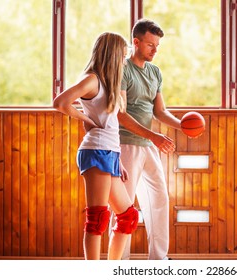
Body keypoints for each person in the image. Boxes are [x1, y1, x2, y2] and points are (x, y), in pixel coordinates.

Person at [53, 32, 138, 260]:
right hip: (95, 151)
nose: (124, 61)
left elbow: (111, 126)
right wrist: (87, 120)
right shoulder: (92, 79)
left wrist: (117, 160)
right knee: (97, 219)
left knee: (128, 217)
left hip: (109, 153)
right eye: (122, 56)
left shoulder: (109, 83)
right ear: (111, 55)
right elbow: (60, 102)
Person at [117, 19, 182, 260]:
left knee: (159, 199)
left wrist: (182, 124)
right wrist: (154, 136)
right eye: (151, 45)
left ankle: (159, 259)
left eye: (157, 45)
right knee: (124, 206)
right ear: (136, 42)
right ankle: (120, 261)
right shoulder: (122, 69)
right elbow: (120, 114)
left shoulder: (155, 72)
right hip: (126, 145)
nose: (155, 50)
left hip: (147, 145)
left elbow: (160, 111)